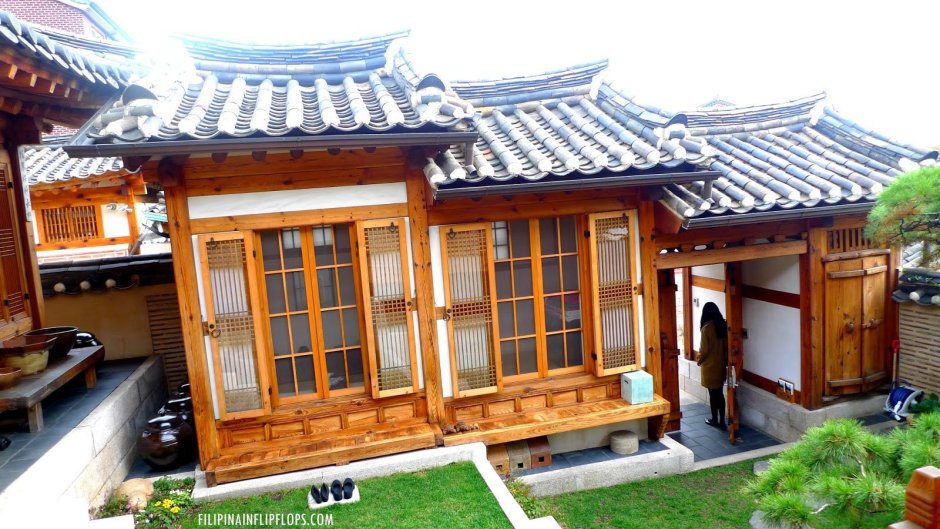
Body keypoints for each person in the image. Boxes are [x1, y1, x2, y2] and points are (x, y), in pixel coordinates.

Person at [697, 302, 728, 430]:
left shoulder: (706, 329)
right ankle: (722, 421)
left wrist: (699, 359)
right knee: (720, 394)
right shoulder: (723, 325)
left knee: (713, 395)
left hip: (709, 367)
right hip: (721, 365)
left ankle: (715, 419)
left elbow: (704, 350)